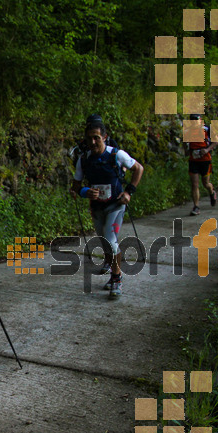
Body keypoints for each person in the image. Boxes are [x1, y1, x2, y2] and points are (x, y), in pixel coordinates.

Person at [72, 120, 144, 300]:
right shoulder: (84, 160)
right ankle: (113, 273)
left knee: (110, 241)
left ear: (104, 137)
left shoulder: (116, 155)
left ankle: (116, 278)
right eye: (90, 139)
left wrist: (129, 192)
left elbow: (138, 169)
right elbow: (75, 187)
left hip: (116, 205)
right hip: (97, 208)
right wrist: (84, 192)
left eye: (97, 138)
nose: (93, 142)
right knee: (105, 242)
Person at [184, 114, 218, 216]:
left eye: (196, 119)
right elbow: (185, 144)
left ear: (200, 120)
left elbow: (216, 140)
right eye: (192, 120)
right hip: (193, 159)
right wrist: (187, 151)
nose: (194, 122)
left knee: (206, 183)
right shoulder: (187, 131)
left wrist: (207, 149)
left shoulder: (206, 129)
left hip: (205, 160)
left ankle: (212, 192)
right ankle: (196, 206)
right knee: (195, 184)